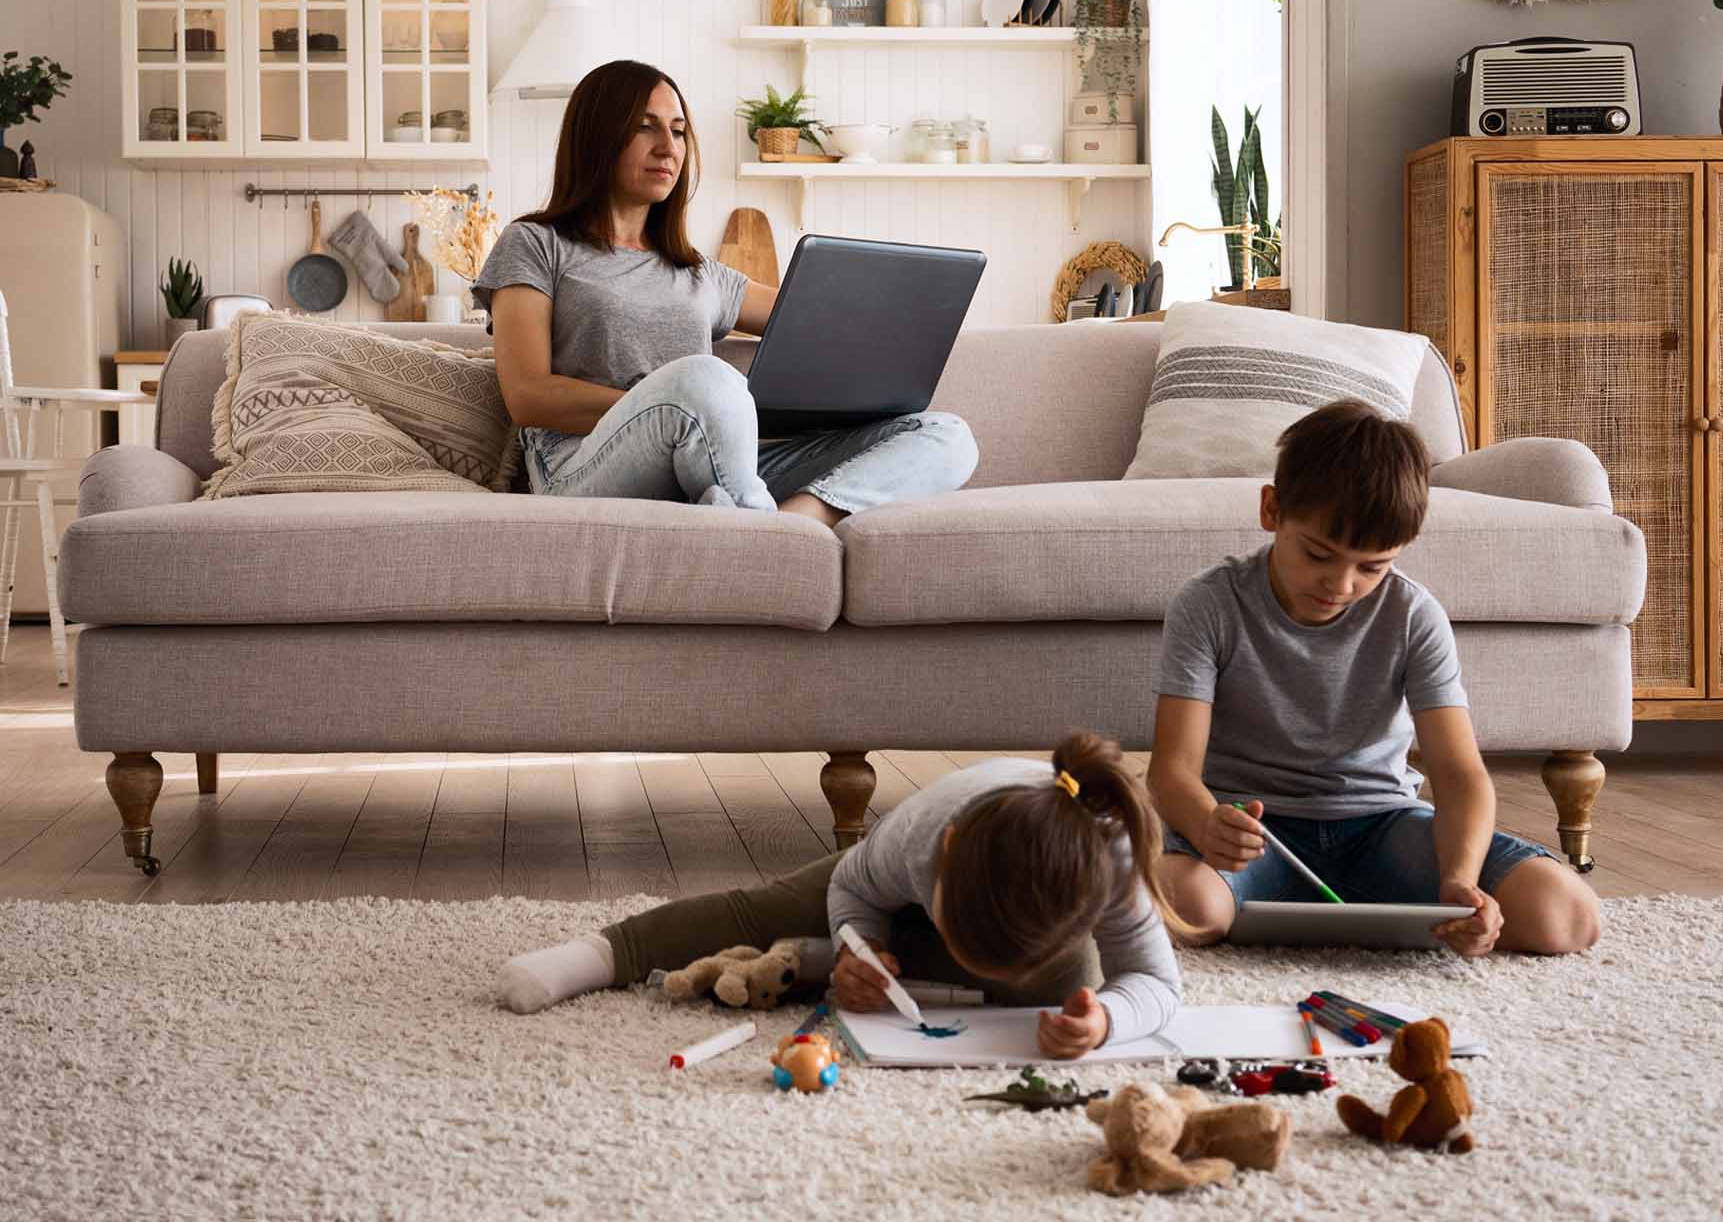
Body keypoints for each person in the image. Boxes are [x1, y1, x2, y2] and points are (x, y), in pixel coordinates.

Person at [1148, 400, 1603, 957]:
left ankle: (1296, 918)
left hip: (1383, 826)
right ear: (1272, 510)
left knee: (1567, 915)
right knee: (1183, 908)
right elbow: (1171, 771)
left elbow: (1460, 775)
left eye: (1372, 566)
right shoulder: (1209, 603)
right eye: (1318, 554)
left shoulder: (1413, 615)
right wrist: (1204, 825)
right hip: (1254, 838)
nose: (1339, 585)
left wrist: (1459, 881)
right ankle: (1281, 907)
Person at [471, 60, 978, 526]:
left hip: (713, 456)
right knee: (708, 378)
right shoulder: (536, 244)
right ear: (597, 136)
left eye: (678, 131)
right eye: (644, 126)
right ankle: (758, 531)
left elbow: (817, 318)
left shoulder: (697, 272)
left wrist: (908, 314)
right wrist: (672, 408)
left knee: (947, 436)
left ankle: (796, 520)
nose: (668, 148)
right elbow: (528, 396)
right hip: (582, 466)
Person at [497, 732, 1186, 1058]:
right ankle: (600, 952)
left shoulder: (1111, 862)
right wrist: (863, 943)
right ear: (942, 861)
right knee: (763, 908)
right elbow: (855, 890)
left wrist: (1104, 1025)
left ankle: (816, 963)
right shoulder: (921, 835)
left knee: (1066, 991)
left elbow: (1156, 982)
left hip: (1016, 930)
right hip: (885, 886)